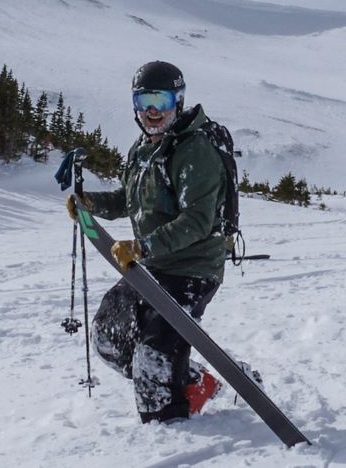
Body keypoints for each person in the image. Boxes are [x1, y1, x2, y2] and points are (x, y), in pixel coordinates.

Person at [66, 61, 226, 423]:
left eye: (161, 101)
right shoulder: (141, 149)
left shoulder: (194, 151)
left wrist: (143, 247)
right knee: (109, 337)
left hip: (191, 268)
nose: (152, 111)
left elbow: (197, 220)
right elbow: (130, 200)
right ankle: (192, 380)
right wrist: (91, 203)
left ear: (177, 101)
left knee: (152, 359)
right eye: (144, 101)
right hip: (151, 265)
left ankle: (169, 429)